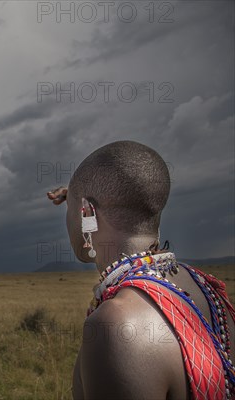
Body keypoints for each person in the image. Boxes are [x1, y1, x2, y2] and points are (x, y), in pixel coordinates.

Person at [46, 140, 235, 399]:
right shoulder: (207, 290)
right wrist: (80, 200)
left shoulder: (117, 325)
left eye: (70, 210)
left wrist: (81, 207)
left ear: (85, 212)